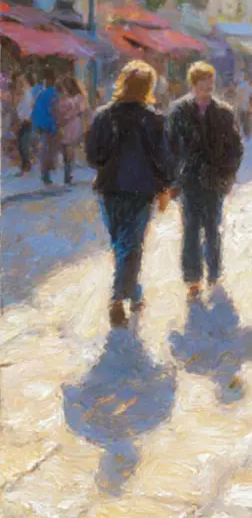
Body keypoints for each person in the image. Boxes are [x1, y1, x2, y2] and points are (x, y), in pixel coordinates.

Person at [86, 60, 174, 328]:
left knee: (121, 244)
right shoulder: (153, 119)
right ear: (148, 87)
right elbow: (163, 159)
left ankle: (129, 294)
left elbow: (92, 156)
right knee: (131, 244)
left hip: (110, 188)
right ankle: (120, 297)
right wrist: (165, 188)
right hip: (141, 189)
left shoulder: (103, 116)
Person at [166, 62, 244, 300]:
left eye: (210, 86)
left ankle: (214, 272)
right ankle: (193, 279)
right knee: (190, 229)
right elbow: (169, 148)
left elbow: (235, 149)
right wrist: (171, 180)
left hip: (214, 180)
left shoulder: (223, 112)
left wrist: (228, 176)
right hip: (188, 180)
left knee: (212, 227)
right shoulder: (179, 111)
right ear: (193, 85)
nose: (207, 91)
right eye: (203, 87)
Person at [55, 76, 90, 185]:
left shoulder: (79, 97)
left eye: (66, 85)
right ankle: (68, 172)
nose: (65, 88)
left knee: (68, 148)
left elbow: (81, 111)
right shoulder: (63, 97)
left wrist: (67, 116)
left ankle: (68, 173)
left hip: (73, 125)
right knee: (65, 149)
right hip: (64, 125)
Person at [30, 68, 60, 185]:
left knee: (46, 150)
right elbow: (55, 111)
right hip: (50, 126)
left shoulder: (42, 94)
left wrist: (37, 125)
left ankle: (45, 174)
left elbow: (36, 111)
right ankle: (46, 174)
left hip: (44, 125)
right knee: (49, 151)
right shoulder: (53, 94)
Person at [13, 74, 34, 176]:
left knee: (24, 146)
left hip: (27, 123)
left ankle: (26, 167)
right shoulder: (20, 95)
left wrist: (21, 121)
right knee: (21, 146)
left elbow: (28, 109)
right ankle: (25, 167)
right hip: (21, 123)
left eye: (19, 83)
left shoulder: (27, 94)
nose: (18, 85)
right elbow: (19, 110)